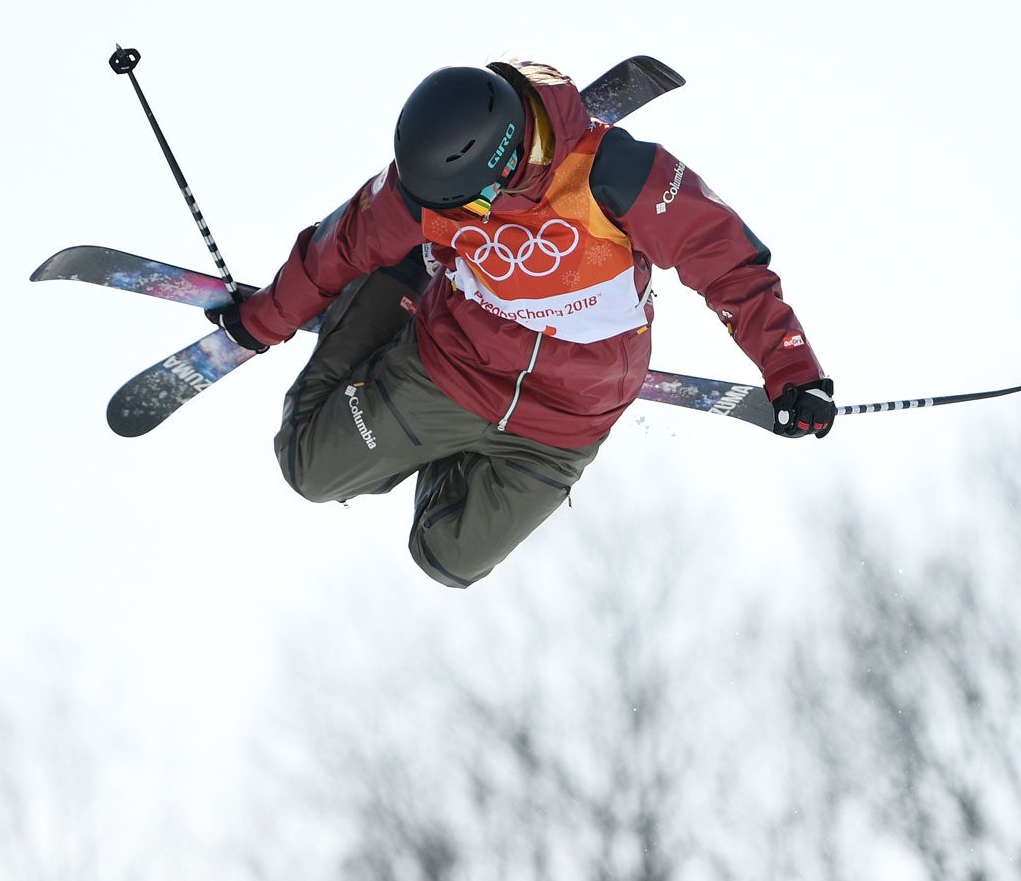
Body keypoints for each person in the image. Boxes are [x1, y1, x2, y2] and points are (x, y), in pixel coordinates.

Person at [204, 59, 834, 588]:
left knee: (448, 562)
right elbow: (335, 249)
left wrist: (791, 370)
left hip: (561, 423)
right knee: (308, 470)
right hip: (449, 371)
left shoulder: (619, 177)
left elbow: (730, 269)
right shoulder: (422, 190)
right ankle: (393, 293)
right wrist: (260, 324)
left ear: (506, 167)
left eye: (469, 207)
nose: (457, 216)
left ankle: (441, 447)